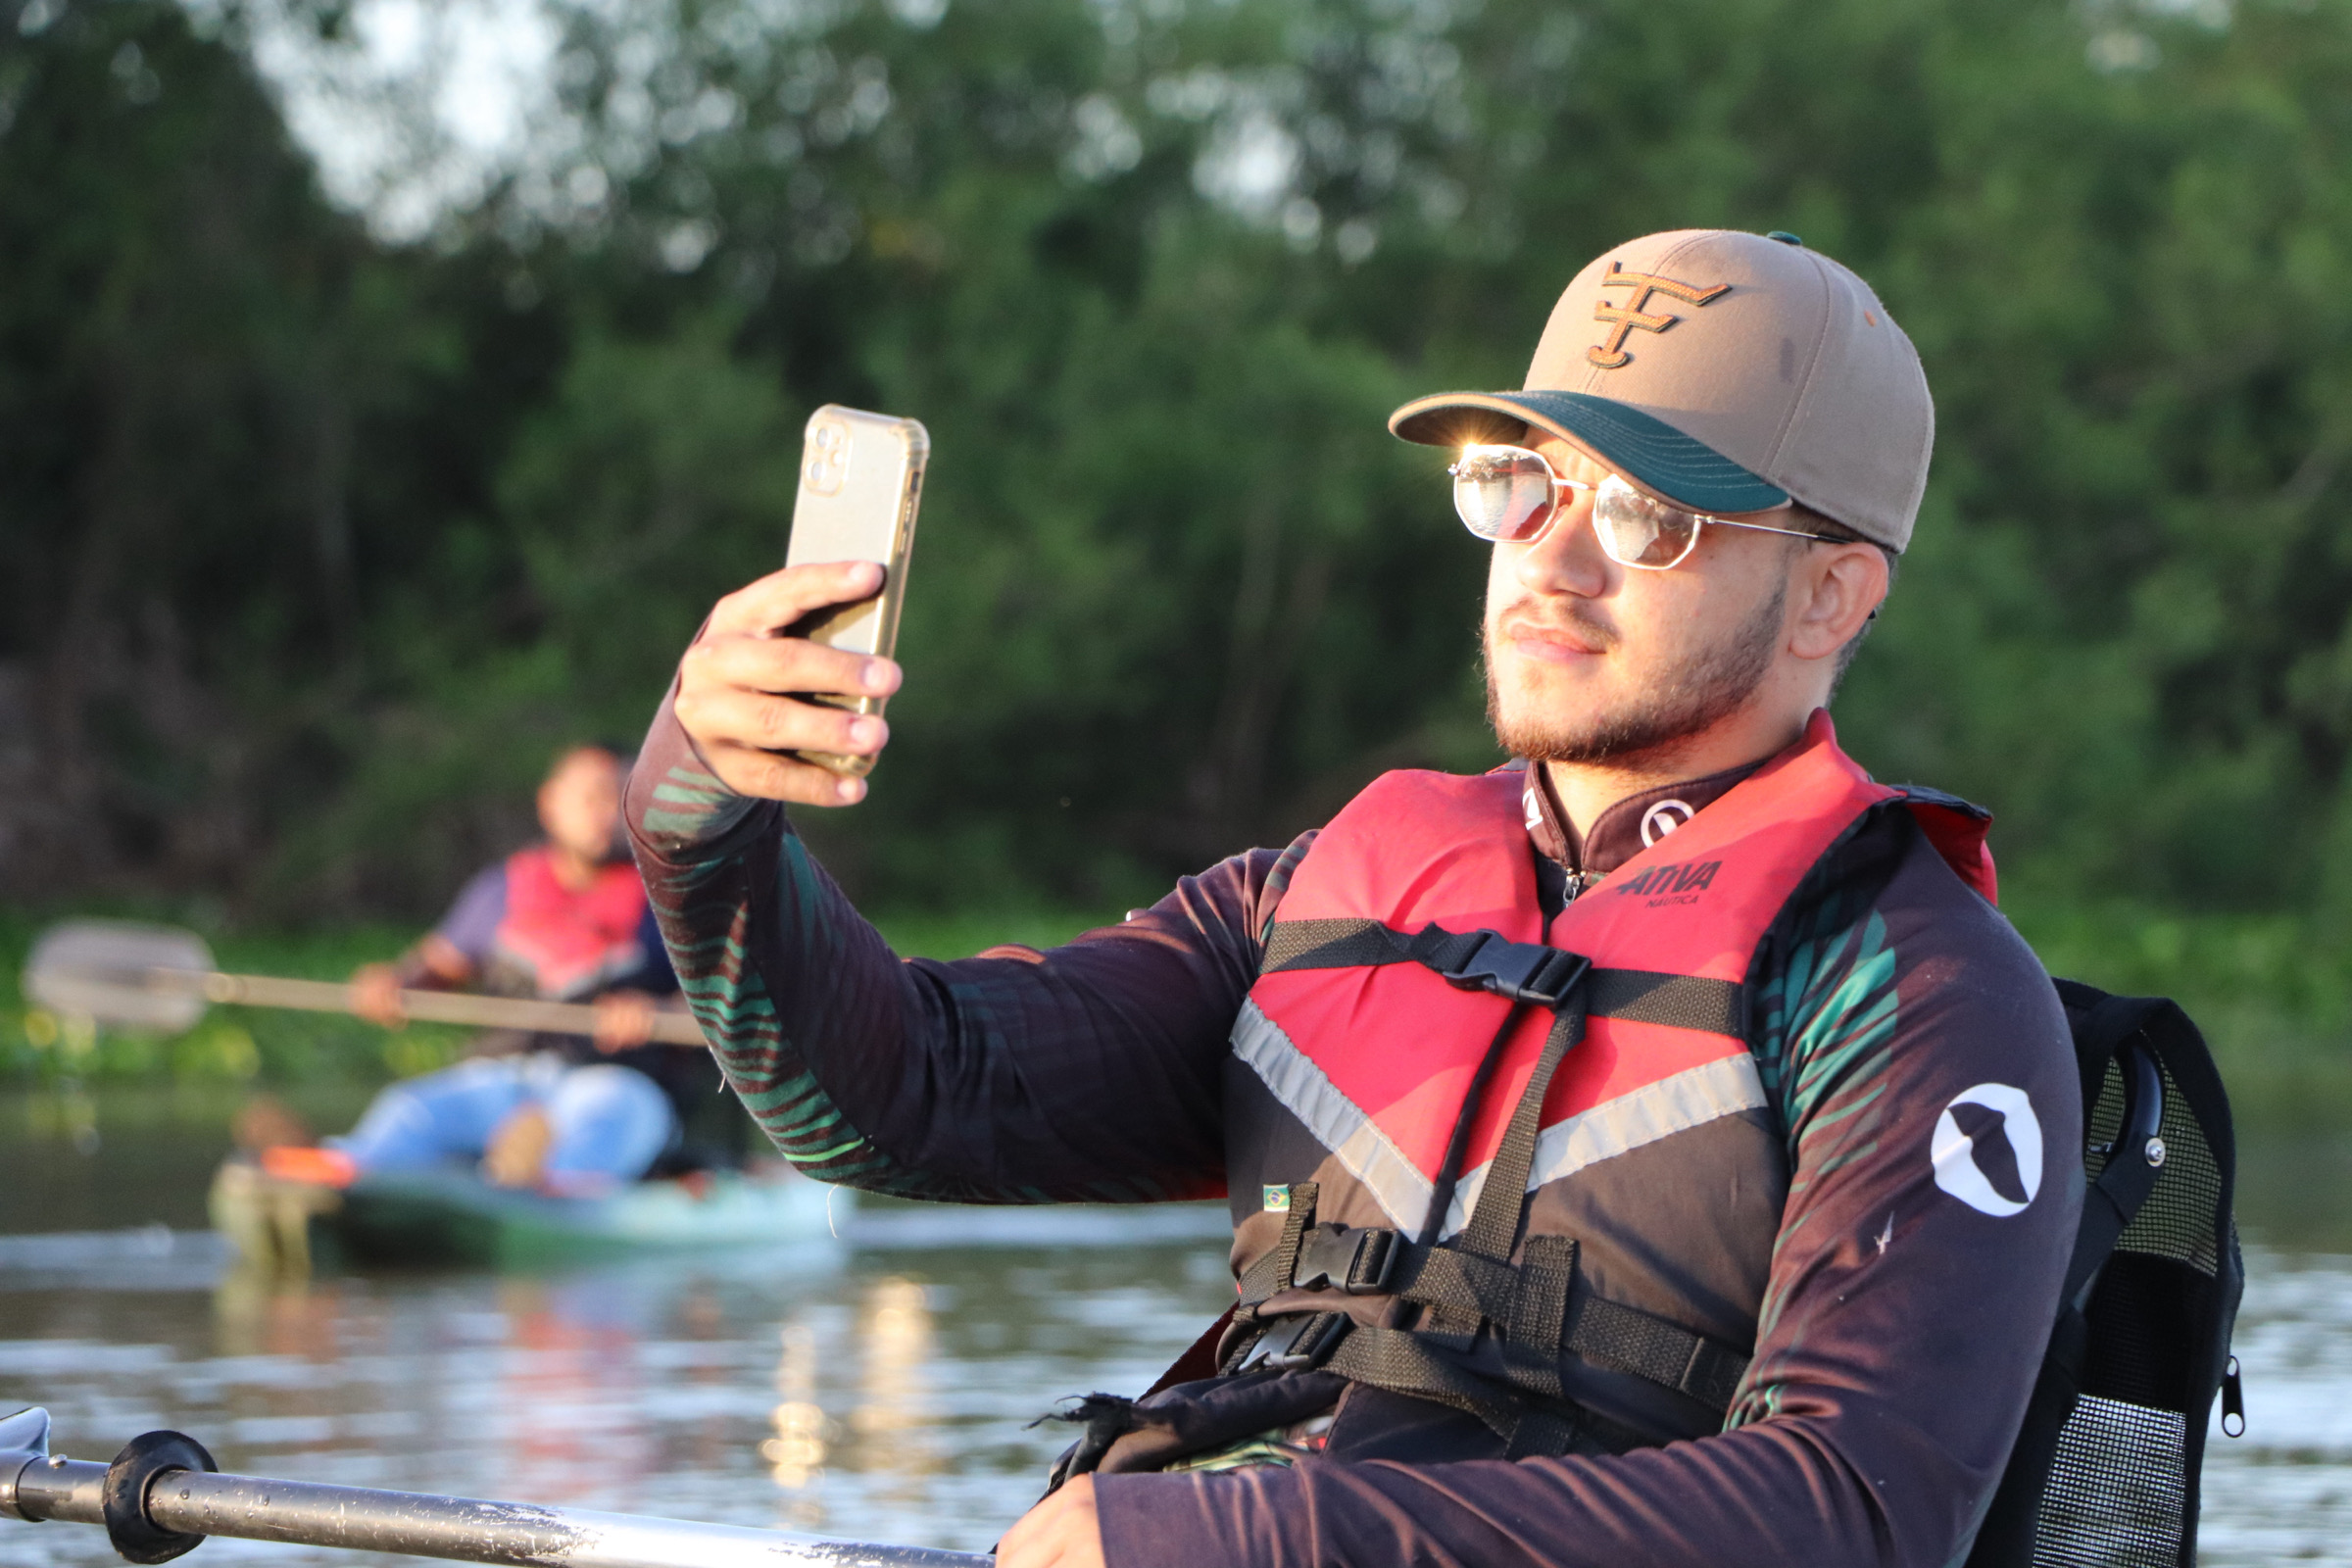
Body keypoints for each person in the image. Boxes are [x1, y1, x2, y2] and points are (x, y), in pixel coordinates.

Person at [628, 230, 2082, 1568]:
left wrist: (1248, 1537)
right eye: (1521, 482)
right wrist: (699, 813)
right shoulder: (1311, 895)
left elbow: (1861, 1512)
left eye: (1649, 520)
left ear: (1830, 595)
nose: (1550, 561)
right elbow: (895, 1099)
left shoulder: (1920, 986)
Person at [266, 745, 698, 1195]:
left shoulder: (674, 902)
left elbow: (720, 1014)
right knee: (409, 1108)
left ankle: (543, 1183)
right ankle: (338, 1170)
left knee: (605, 1119)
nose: (607, 813)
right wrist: (393, 985)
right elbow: (433, 967)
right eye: (594, 797)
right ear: (550, 803)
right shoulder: (501, 889)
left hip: (614, 1080)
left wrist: (657, 1013)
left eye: (624, 799)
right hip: (503, 1078)